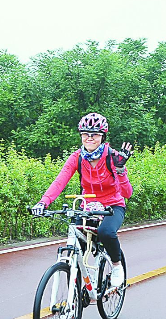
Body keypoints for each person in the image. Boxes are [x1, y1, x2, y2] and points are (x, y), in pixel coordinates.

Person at [31, 112, 133, 287]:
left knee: (106, 233)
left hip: (112, 205)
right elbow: (60, 181)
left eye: (94, 134)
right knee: (77, 239)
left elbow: (127, 193)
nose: (89, 138)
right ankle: (80, 286)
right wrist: (43, 202)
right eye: (85, 134)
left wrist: (121, 169)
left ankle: (116, 266)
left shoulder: (113, 157)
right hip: (89, 206)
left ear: (103, 136)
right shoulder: (77, 157)